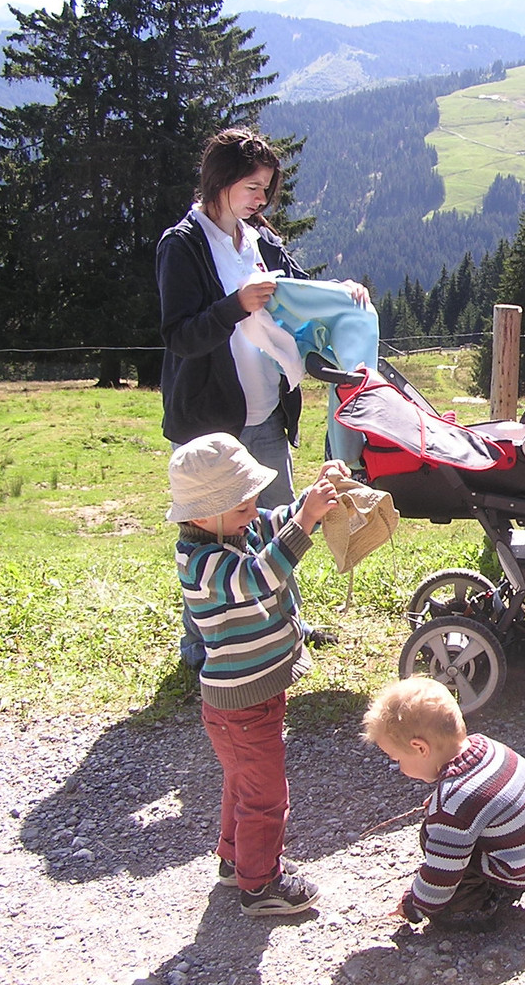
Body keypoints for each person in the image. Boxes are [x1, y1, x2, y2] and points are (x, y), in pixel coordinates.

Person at [157, 127, 369, 664]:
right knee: (210, 535)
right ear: (220, 180)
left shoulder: (260, 241)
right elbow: (180, 336)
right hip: (210, 422)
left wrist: (341, 293)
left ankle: (287, 626)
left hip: (268, 412)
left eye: (267, 189)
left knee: (279, 521)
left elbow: (299, 292)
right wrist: (236, 304)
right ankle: (201, 642)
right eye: (252, 187)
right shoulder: (182, 245)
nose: (261, 199)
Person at [168, 432, 346, 916]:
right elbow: (260, 576)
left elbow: (276, 521)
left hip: (255, 694)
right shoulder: (202, 563)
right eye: (243, 505)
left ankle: (236, 860)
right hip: (239, 704)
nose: (254, 512)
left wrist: (312, 498)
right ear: (203, 516)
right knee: (265, 795)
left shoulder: (233, 530)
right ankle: (260, 884)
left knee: (243, 784)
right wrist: (305, 522)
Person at [363, 678, 525, 930]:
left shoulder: (453, 803)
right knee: (446, 827)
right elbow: (485, 797)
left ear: (420, 748)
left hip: (524, 868)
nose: (399, 768)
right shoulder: (486, 746)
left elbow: (440, 874)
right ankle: (503, 878)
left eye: (397, 759)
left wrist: (413, 904)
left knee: (434, 838)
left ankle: (482, 901)